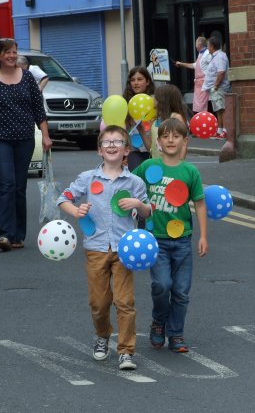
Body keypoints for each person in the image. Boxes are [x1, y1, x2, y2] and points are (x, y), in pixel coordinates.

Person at [57, 125, 151, 370]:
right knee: (98, 303)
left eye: (117, 142)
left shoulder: (135, 182)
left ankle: (126, 351)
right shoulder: (87, 178)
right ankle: (102, 336)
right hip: (95, 247)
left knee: (124, 301)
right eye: (106, 142)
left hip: (124, 250)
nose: (111, 145)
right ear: (99, 150)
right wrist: (76, 211)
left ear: (126, 150)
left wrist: (137, 204)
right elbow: (63, 198)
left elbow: (148, 211)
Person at [132, 118, 208, 353]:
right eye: (165, 136)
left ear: (184, 141)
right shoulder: (148, 167)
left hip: (182, 240)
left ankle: (176, 334)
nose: (170, 140)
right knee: (161, 284)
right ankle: (158, 321)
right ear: (159, 141)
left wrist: (203, 236)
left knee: (181, 291)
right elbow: (128, 184)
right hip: (155, 239)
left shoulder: (190, 171)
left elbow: (200, 204)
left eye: (176, 136)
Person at [0, 38, 52, 251]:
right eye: (7, 52)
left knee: (19, 187)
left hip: (24, 139)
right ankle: (4, 235)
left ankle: (17, 235)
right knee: (6, 184)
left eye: (14, 52)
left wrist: (45, 135)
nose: (11, 56)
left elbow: (38, 109)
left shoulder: (27, 78)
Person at [122, 66, 156, 171]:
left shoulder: (155, 101)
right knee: (135, 175)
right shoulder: (126, 102)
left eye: (140, 79)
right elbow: (125, 131)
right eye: (133, 80)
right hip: (134, 151)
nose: (136, 83)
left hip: (154, 150)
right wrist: (124, 155)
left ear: (147, 81)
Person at [202, 36, 231, 140]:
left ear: (212, 46)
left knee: (222, 109)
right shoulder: (216, 56)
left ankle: (225, 132)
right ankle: (220, 131)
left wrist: (216, 86)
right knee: (218, 109)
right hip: (216, 88)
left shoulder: (220, 56)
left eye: (208, 46)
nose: (207, 48)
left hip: (219, 88)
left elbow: (221, 72)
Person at [153, 84, 189, 159]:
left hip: (172, 163)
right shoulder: (156, 120)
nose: (153, 98)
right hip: (156, 163)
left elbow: (183, 144)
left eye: (155, 97)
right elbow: (152, 147)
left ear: (162, 99)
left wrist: (180, 163)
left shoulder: (176, 117)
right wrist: (142, 131)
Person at [175, 36, 210, 114]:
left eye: (196, 43)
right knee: (199, 107)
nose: (195, 45)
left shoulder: (208, 54)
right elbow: (195, 65)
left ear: (199, 44)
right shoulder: (200, 54)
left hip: (204, 83)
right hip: (199, 84)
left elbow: (212, 67)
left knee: (203, 107)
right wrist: (181, 64)